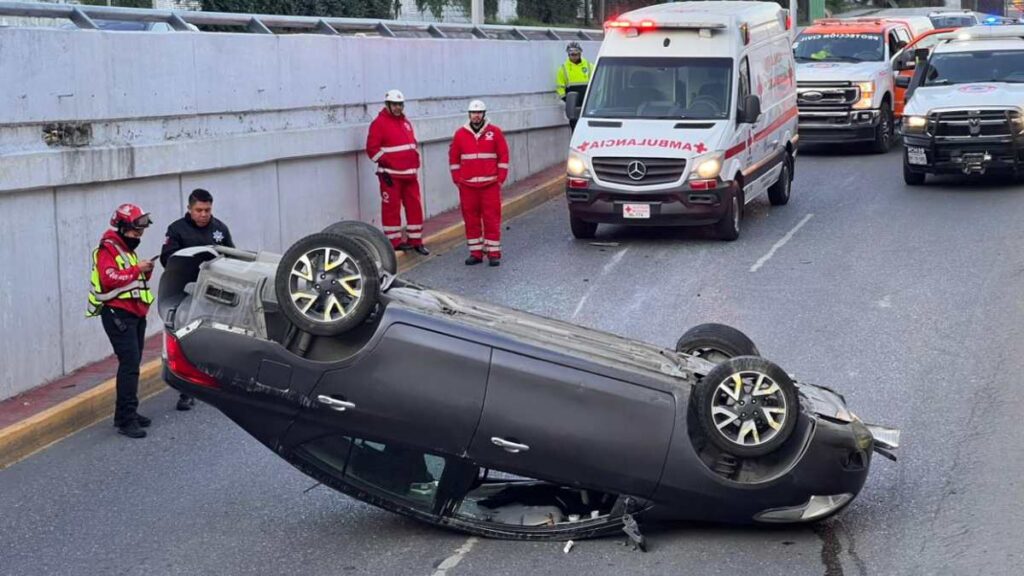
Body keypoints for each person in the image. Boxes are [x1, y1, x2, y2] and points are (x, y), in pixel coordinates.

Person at [160, 188, 234, 411]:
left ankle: (219, 382)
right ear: (189, 209)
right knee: (186, 339)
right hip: (187, 292)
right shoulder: (177, 230)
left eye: (207, 210)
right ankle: (187, 391)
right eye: (199, 210)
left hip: (213, 292)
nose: (203, 214)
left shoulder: (219, 228)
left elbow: (232, 255)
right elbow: (167, 259)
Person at [86, 203, 155, 439]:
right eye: (136, 232)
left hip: (134, 314)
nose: (139, 236)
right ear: (123, 227)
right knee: (129, 365)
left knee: (133, 366)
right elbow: (110, 279)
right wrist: (137, 269)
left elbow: (130, 281)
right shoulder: (109, 249)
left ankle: (128, 414)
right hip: (118, 315)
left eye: (141, 232)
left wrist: (145, 270)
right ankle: (126, 420)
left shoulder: (125, 249)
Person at [365, 89, 430, 255]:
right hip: (391, 176)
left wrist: (415, 161)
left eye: (400, 104)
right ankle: (393, 241)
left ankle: (416, 240)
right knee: (391, 209)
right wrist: (388, 163)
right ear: (387, 104)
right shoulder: (379, 123)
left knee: (415, 207)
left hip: (409, 175)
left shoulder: (405, 122)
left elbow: (411, 144)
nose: (397, 108)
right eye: (394, 104)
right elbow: (372, 149)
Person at [448, 99, 509, 267]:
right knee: (470, 220)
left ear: (484, 114)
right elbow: (454, 159)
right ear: (469, 114)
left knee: (492, 219)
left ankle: (493, 253)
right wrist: (457, 179)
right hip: (468, 187)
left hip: (489, 186)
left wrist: (500, 179)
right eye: (473, 113)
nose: (476, 116)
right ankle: (475, 253)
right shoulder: (460, 134)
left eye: (479, 113)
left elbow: (503, 156)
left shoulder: (495, 133)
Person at [556, 41, 592, 131]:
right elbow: (560, 86)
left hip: (587, 101)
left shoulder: (588, 65)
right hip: (573, 103)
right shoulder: (563, 68)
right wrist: (566, 99)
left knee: (587, 125)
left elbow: (595, 82)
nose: (574, 56)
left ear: (580, 53)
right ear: (568, 55)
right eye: (572, 54)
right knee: (574, 125)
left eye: (576, 54)